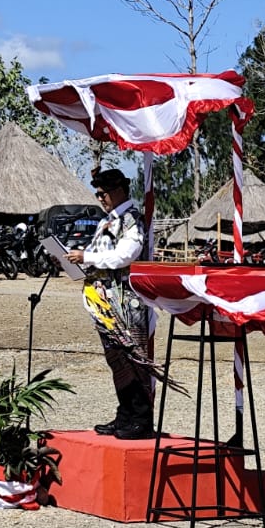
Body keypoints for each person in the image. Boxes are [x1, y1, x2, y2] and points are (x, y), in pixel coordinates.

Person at [67, 167, 152, 439]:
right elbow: (101, 253)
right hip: (105, 302)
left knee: (132, 359)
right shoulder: (109, 220)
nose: (100, 198)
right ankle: (125, 415)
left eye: (103, 193)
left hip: (126, 302)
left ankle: (140, 419)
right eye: (98, 193)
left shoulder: (131, 220)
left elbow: (125, 255)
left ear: (118, 191)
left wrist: (87, 259)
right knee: (117, 360)